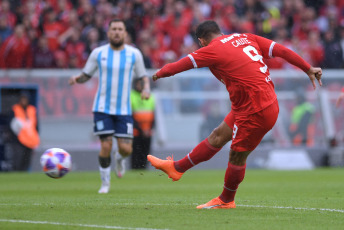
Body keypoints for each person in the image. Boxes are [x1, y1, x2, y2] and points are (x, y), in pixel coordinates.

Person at [147, 20, 322, 209]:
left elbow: (181, 65)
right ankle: (177, 168)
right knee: (217, 136)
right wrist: (307, 68)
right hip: (256, 103)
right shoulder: (246, 37)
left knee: (237, 156)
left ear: (201, 41)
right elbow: (281, 50)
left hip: (255, 110)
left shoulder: (211, 49)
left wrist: (159, 74)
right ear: (220, 31)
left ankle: (226, 200)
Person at [69, 19, 150, 194]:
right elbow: (86, 74)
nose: (117, 32)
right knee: (105, 145)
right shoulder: (98, 53)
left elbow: (143, 76)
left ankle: (120, 158)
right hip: (102, 108)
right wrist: (77, 79)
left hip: (124, 110)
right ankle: (105, 183)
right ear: (108, 33)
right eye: (113, 29)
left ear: (125, 33)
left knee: (126, 148)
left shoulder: (134, 54)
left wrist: (146, 89)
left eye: (120, 29)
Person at [9, 91, 40, 171]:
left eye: (25, 99)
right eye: (22, 99)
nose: (24, 101)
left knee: (26, 161)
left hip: (30, 140)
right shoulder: (15, 109)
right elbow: (11, 125)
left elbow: (36, 126)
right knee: (17, 160)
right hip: (18, 140)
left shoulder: (32, 110)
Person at [130, 78, 155, 169]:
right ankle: (135, 170)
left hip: (148, 131)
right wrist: (141, 129)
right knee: (136, 153)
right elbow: (130, 116)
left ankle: (144, 170)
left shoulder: (150, 96)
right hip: (136, 131)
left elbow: (153, 115)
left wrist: (150, 129)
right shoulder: (131, 96)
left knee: (146, 153)